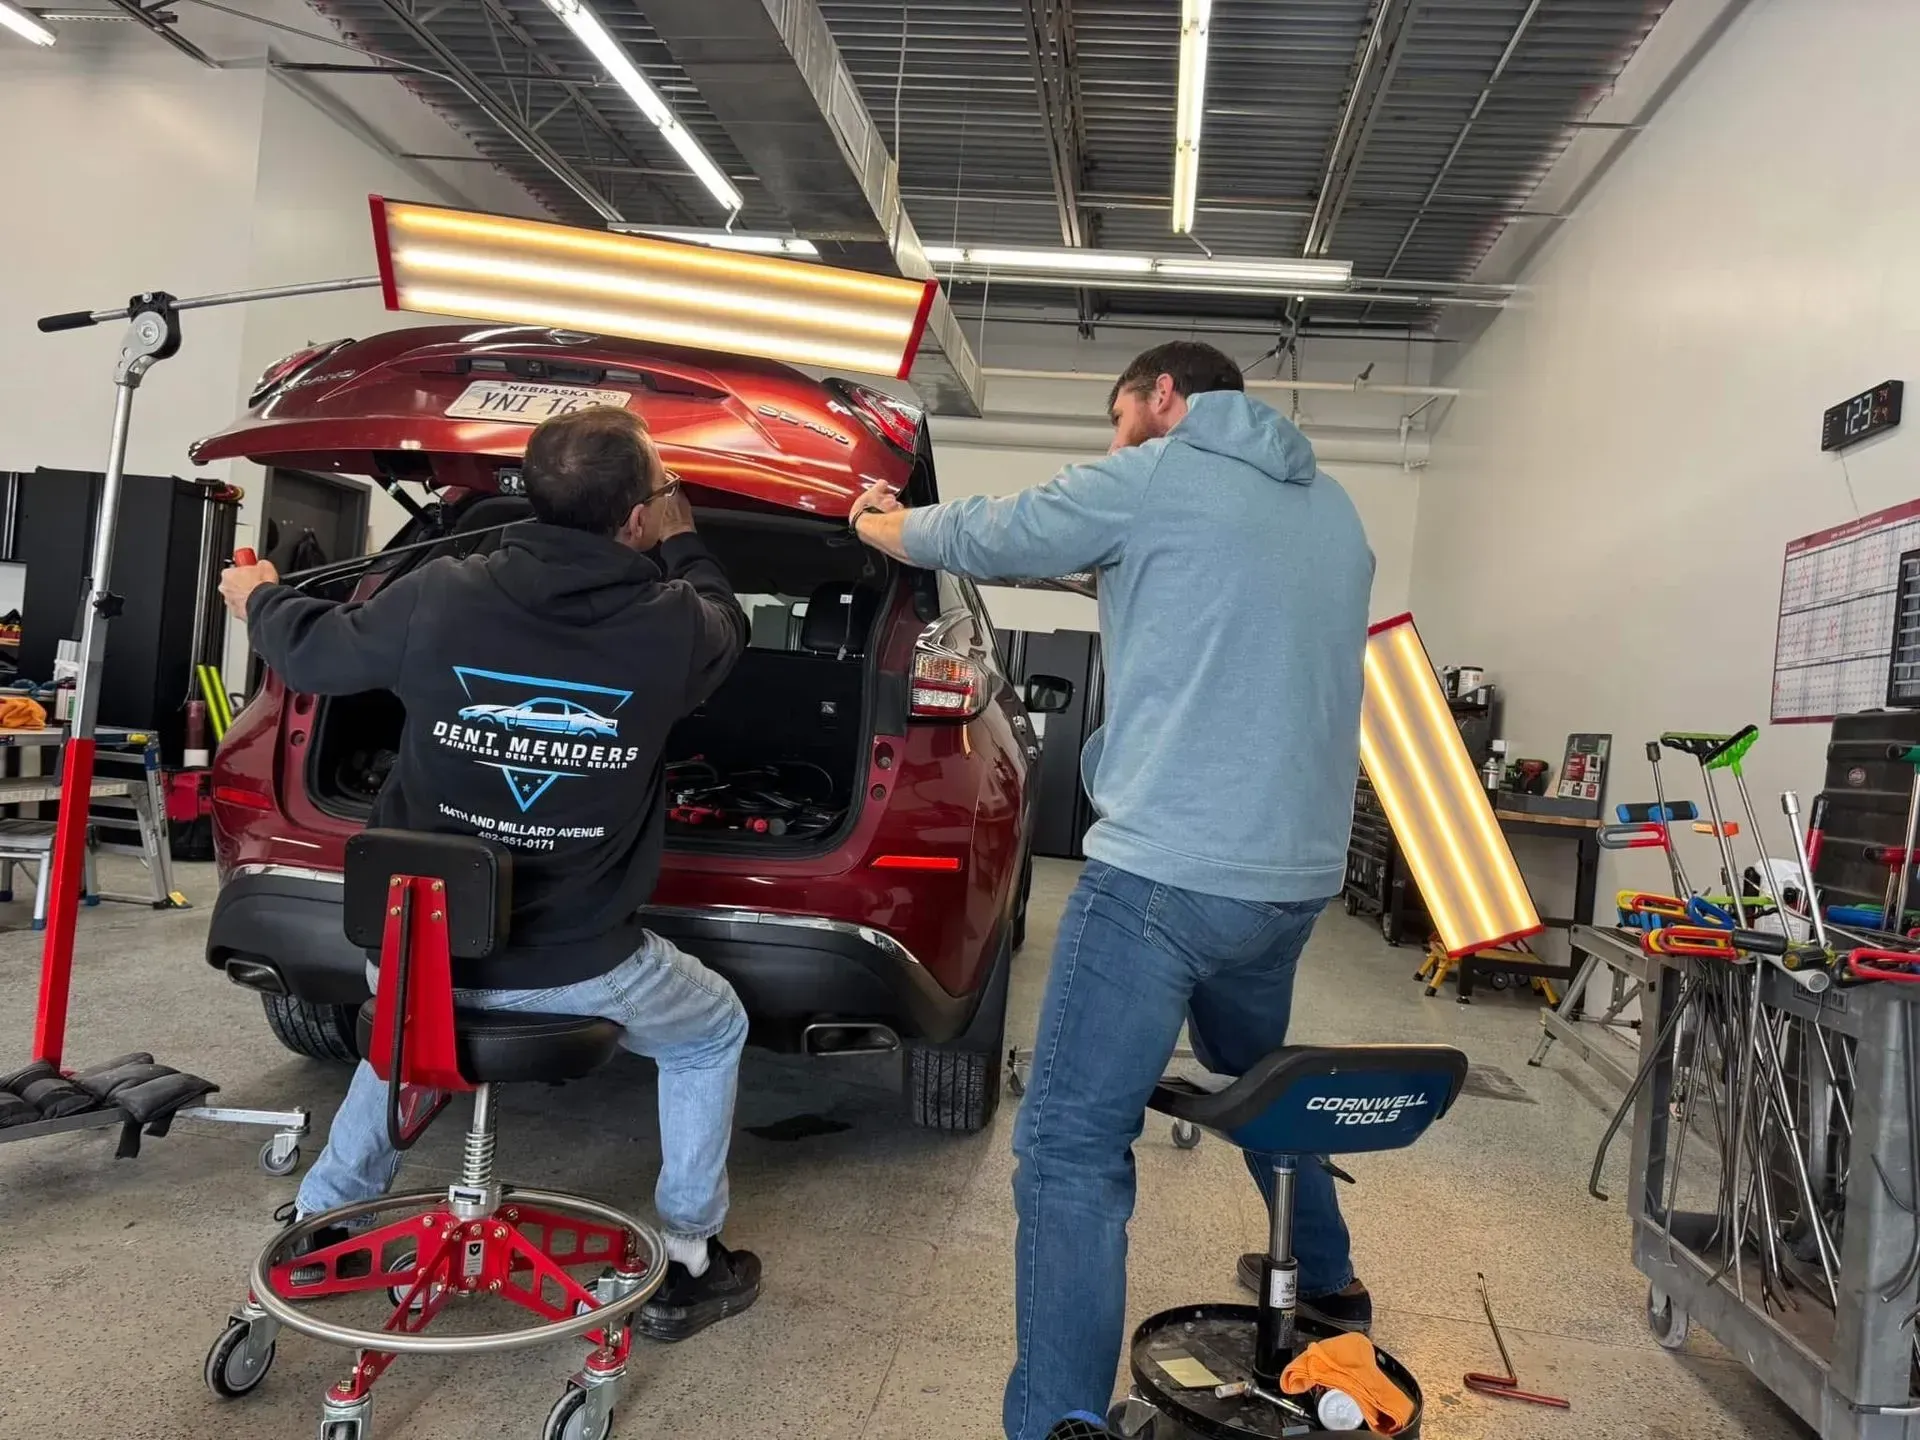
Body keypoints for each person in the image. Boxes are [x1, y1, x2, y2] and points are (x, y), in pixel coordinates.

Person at [848, 341, 1374, 1438]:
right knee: (1255, 1072)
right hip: (1286, 884)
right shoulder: (1331, 511)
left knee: (1072, 1145)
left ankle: (1058, 1421)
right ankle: (1329, 1282)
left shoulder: (1162, 472)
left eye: (1117, 413)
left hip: (1168, 877)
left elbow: (998, 527)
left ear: (1163, 397)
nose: (1112, 437)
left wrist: (881, 525)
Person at [218, 406, 760, 1341]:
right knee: (712, 1029)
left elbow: (307, 648)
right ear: (638, 515)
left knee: (403, 1039)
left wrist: (259, 596)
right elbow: (731, 622)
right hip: (579, 966)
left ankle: (321, 1223)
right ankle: (687, 1256)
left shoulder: (443, 593)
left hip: (417, 949)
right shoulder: (670, 626)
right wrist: (685, 535)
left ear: (527, 493)